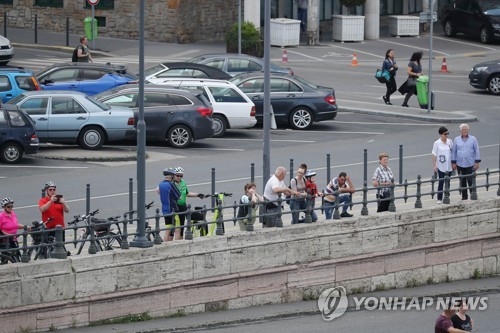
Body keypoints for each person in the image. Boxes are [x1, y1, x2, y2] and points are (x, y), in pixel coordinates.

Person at [172, 167, 205, 240]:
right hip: (175, 207)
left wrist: (198, 194)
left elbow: (187, 193)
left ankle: (180, 242)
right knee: (177, 228)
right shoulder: (172, 184)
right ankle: (176, 243)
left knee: (182, 226)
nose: (179, 177)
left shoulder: (183, 182)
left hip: (183, 206)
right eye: (177, 175)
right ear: (174, 175)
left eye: (181, 176)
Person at [451, 123, 481, 201]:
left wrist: (477, 162)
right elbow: (454, 151)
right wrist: (453, 162)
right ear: (461, 131)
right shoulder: (456, 139)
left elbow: (477, 150)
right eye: (464, 129)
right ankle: (464, 197)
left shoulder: (473, 139)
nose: (466, 131)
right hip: (460, 164)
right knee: (462, 181)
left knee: (470, 180)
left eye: (467, 129)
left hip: (470, 163)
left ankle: (473, 195)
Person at [156, 168, 181, 241]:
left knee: (168, 229)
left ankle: (166, 244)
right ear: (171, 176)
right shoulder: (171, 184)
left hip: (165, 209)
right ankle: (177, 245)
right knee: (177, 229)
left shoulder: (161, 184)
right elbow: (179, 196)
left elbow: (158, 191)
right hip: (173, 209)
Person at [432, 126, 453, 204]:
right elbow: (434, 154)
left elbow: (452, 151)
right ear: (441, 134)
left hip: (449, 165)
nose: (447, 135)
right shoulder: (437, 143)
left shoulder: (450, 141)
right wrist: (434, 165)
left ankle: (447, 196)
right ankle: (439, 198)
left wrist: (454, 163)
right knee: (441, 182)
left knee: (448, 182)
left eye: (448, 133)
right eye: (445, 134)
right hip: (441, 165)